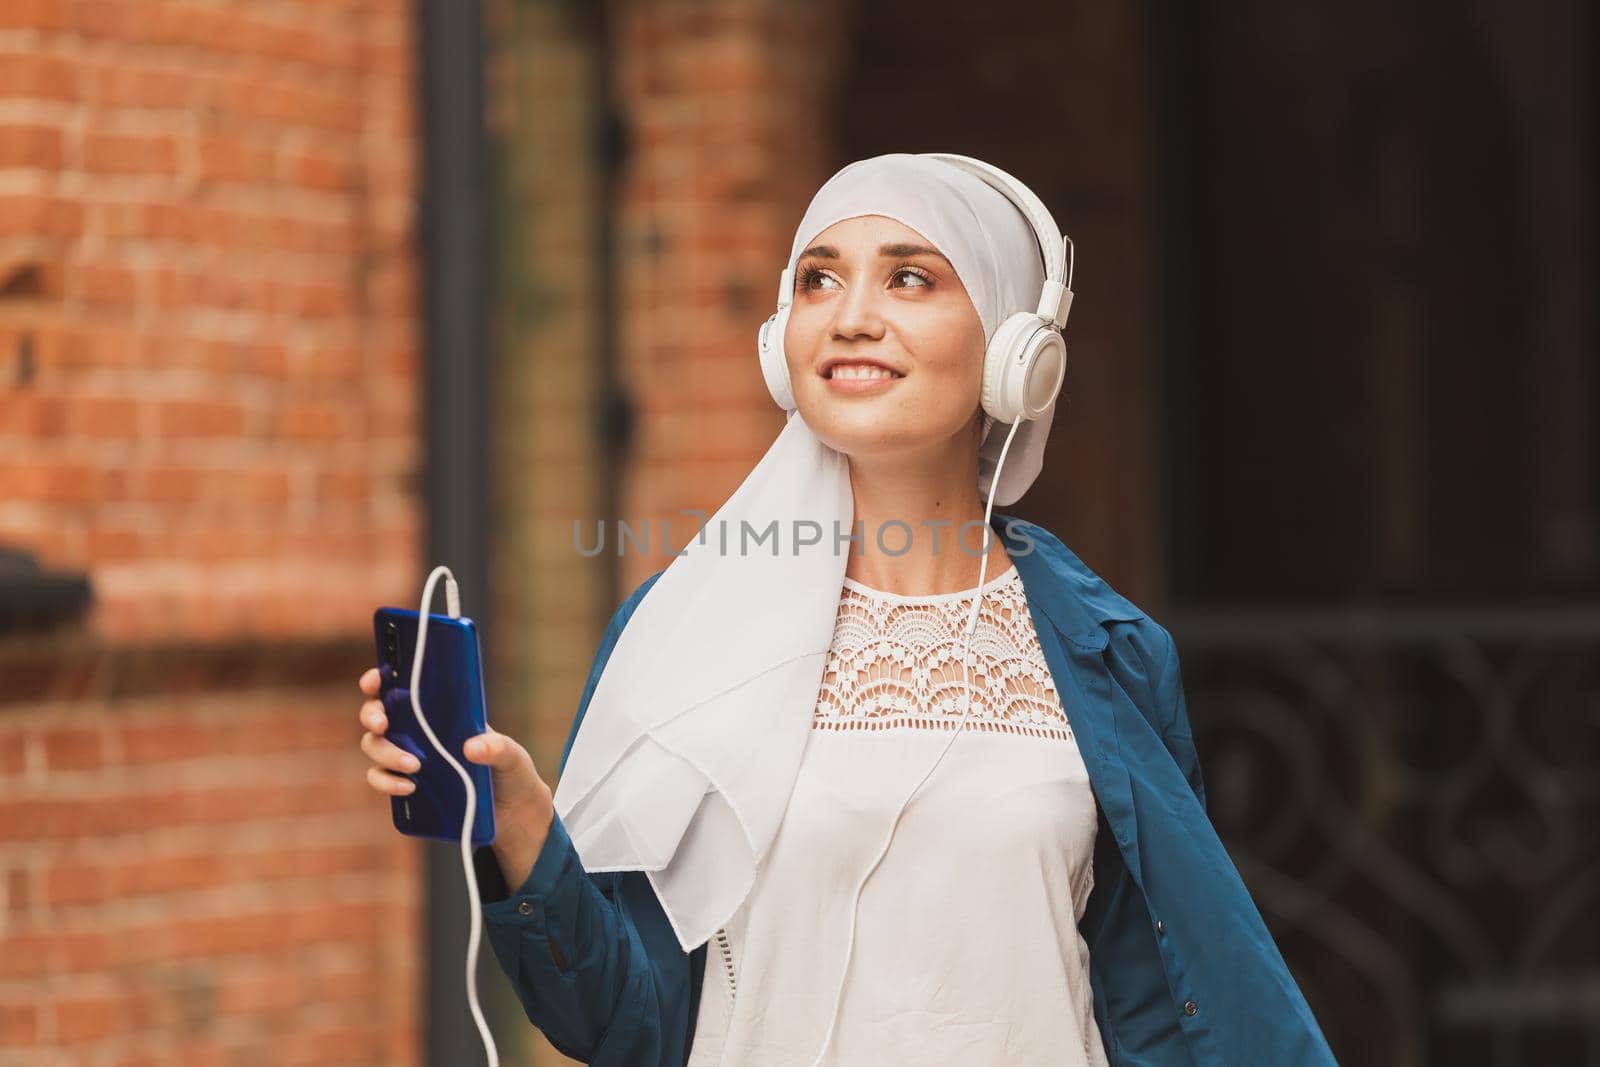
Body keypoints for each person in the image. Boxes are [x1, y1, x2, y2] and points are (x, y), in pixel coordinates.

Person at [356, 153, 1338, 1066]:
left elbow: (1162, 996)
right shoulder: (683, 629)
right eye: (818, 279)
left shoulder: (1111, 652)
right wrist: (522, 815)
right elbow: (624, 1020)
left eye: (910, 277)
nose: (850, 316)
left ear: (1013, 348)